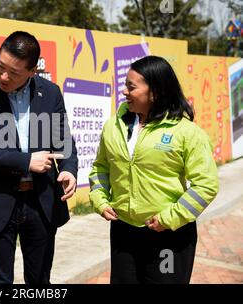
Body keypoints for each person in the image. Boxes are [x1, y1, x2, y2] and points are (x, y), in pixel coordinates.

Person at [89, 55, 219, 284]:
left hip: (169, 235)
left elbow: (206, 185)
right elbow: (101, 167)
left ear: (155, 92)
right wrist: (100, 199)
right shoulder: (113, 126)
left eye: (131, 87)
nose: (124, 92)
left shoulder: (187, 132)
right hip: (123, 231)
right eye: (125, 86)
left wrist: (170, 218)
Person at [0, 31, 78, 284]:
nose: (4, 76)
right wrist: (27, 161)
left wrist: (69, 169)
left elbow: (64, 139)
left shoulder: (51, 93)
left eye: (13, 72)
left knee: (39, 281)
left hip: (42, 202)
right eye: (0, 67)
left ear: (32, 71)